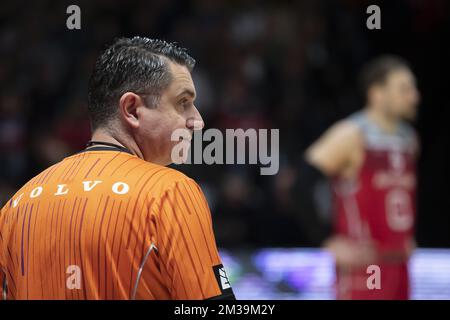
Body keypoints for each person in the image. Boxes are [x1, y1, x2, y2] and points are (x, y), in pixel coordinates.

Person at [0, 37, 235, 300]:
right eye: (183, 102)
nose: (198, 121)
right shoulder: (170, 192)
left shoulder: (16, 206)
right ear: (132, 109)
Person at [293, 55, 420, 299]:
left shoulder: (410, 140)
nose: (414, 96)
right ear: (377, 94)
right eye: (404, 89)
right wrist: (327, 240)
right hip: (364, 266)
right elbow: (300, 185)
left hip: (401, 263)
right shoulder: (350, 134)